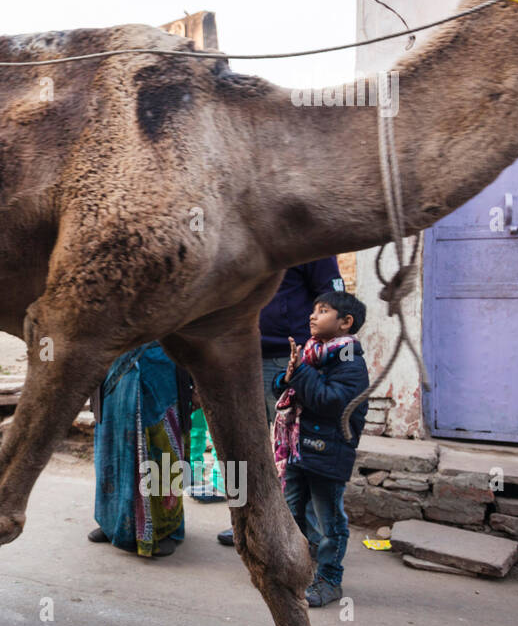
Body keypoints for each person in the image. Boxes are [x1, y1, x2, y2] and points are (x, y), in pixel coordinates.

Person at [219, 257, 345, 547]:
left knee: (297, 449)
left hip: (288, 360)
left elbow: (334, 299)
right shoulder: (244, 230)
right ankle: (247, 525)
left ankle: (306, 538)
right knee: (240, 446)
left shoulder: (311, 237)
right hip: (238, 355)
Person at [271, 290, 369, 608]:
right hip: (299, 449)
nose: (313, 316)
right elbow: (292, 390)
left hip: (329, 451)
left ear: (346, 322)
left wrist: (299, 373)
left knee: (330, 523)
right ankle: (298, 569)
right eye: (313, 310)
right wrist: (286, 378)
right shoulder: (312, 354)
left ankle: (329, 579)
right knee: (292, 512)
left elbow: (329, 402)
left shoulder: (350, 363)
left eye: (323, 310)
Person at [88, 342, 191, 558]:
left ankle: (165, 530)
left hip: (161, 364)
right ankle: (113, 524)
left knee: (161, 446)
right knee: (112, 446)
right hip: (114, 362)